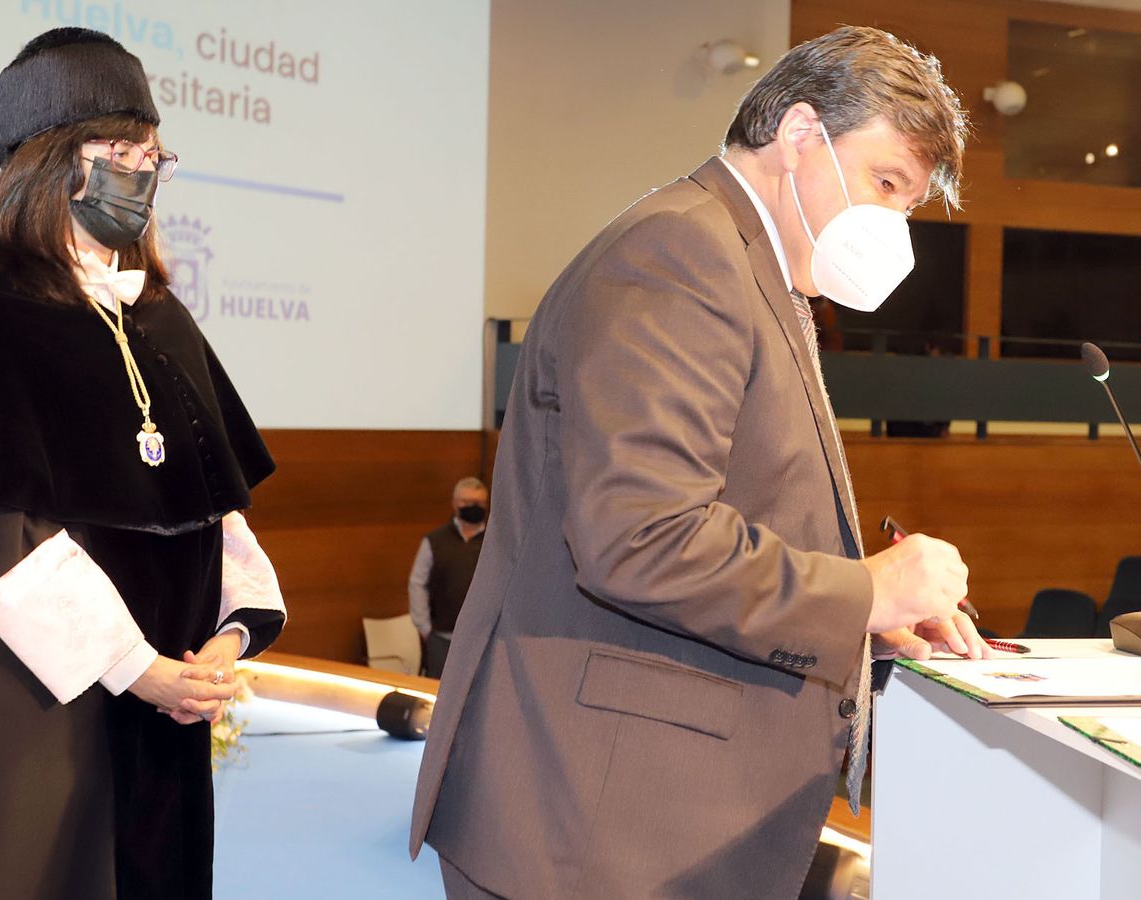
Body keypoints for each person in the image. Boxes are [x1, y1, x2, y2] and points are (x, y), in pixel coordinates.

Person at [411, 26, 985, 899]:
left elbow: (732, 518)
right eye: (884, 184)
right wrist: (868, 589)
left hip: (639, 822)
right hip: (599, 831)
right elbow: (641, 537)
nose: (893, 227)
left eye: (906, 206)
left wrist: (863, 620)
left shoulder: (751, 270)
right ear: (799, 137)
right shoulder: (682, 255)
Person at [0, 28, 285, 900]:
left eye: (151, 153)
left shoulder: (159, 316)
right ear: (47, 160)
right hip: (33, 709)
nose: (140, 172)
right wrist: (142, 669)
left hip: (165, 702)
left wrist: (226, 638)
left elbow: (213, 502)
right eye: (119, 150)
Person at [408, 477, 489, 677]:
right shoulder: (434, 541)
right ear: (454, 504)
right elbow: (417, 583)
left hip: (482, 641)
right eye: (466, 502)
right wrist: (425, 628)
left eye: (478, 503)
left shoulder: (494, 544)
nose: (472, 507)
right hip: (442, 640)